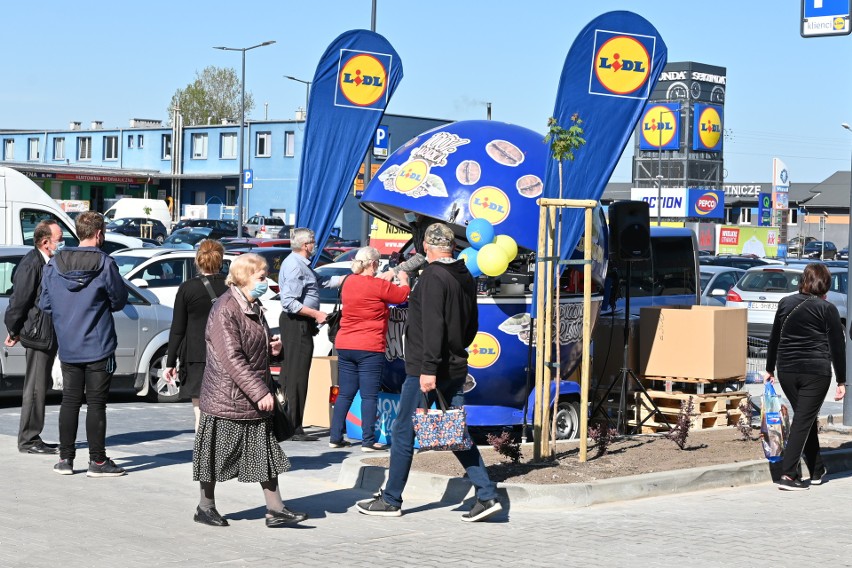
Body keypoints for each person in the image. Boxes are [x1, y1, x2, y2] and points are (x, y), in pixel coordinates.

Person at [357, 223, 502, 522]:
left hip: (427, 369)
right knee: (454, 432)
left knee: (402, 431)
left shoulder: (434, 276)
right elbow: (471, 324)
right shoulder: (464, 274)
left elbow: (434, 325)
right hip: (454, 365)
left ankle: (391, 499)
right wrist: (455, 351)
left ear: (426, 245)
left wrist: (428, 369)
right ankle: (486, 495)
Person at [192, 253, 307, 528]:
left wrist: (272, 351)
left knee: (265, 454)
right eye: (262, 277)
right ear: (244, 277)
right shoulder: (225, 308)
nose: (265, 282)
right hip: (227, 397)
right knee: (213, 456)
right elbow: (231, 358)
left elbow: (252, 350)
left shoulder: (252, 305)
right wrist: (260, 392)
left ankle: (275, 509)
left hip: (249, 396)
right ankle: (205, 507)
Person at [40, 212, 128, 477]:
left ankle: (65, 459)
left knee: (69, 400)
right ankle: (97, 462)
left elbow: (44, 303)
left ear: (79, 232)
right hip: (98, 345)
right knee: (96, 403)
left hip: (68, 344)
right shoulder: (105, 264)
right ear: (99, 234)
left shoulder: (55, 264)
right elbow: (119, 300)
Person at [766, 262, 846, 491]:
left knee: (805, 418)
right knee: (803, 420)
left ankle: (817, 469)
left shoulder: (785, 303)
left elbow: (774, 339)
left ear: (803, 280)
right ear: (825, 284)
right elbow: (837, 348)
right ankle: (789, 475)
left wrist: (770, 369)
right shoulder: (827, 309)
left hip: (788, 371)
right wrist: (842, 380)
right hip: (816, 373)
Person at [329, 246, 410, 452]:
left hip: (345, 344)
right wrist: (404, 280)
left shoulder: (348, 281)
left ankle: (335, 437)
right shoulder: (377, 286)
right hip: (369, 346)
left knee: (346, 393)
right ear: (373, 264)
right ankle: (367, 441)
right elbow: (401, 296)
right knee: (369, 395)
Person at [278, 227, 343, 441]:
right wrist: (316, 313)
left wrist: (347, 279)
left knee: (296, 374)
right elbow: (289, 302)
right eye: (313, 242)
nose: (315, 245)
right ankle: (293, 426)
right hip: (297, 323)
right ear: (306, 245)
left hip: (301, 324)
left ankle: (290, 424)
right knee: (296, 376)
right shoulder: (295, 266)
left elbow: (322, 282)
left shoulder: (303, 265)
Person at [4, 220, 63, 454]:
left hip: (44, 333)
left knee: (41, 385)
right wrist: (13, 329)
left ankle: (32, 436)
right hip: (38, 334)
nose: (62, 243)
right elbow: (19, 301)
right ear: (46, 242)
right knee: (36, 388)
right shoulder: (32, 264)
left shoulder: (45, 261)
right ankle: (29, 439)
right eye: (59, 239)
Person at [164, 240, 228, 431]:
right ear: (221, 260)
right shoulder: (231, 287)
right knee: (224, 409)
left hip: (196, 356)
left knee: (200, 412)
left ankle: (203, 452)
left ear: (198, 260)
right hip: (225, 356)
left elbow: (178, 328)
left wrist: (170, 362)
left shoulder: (187, 288)